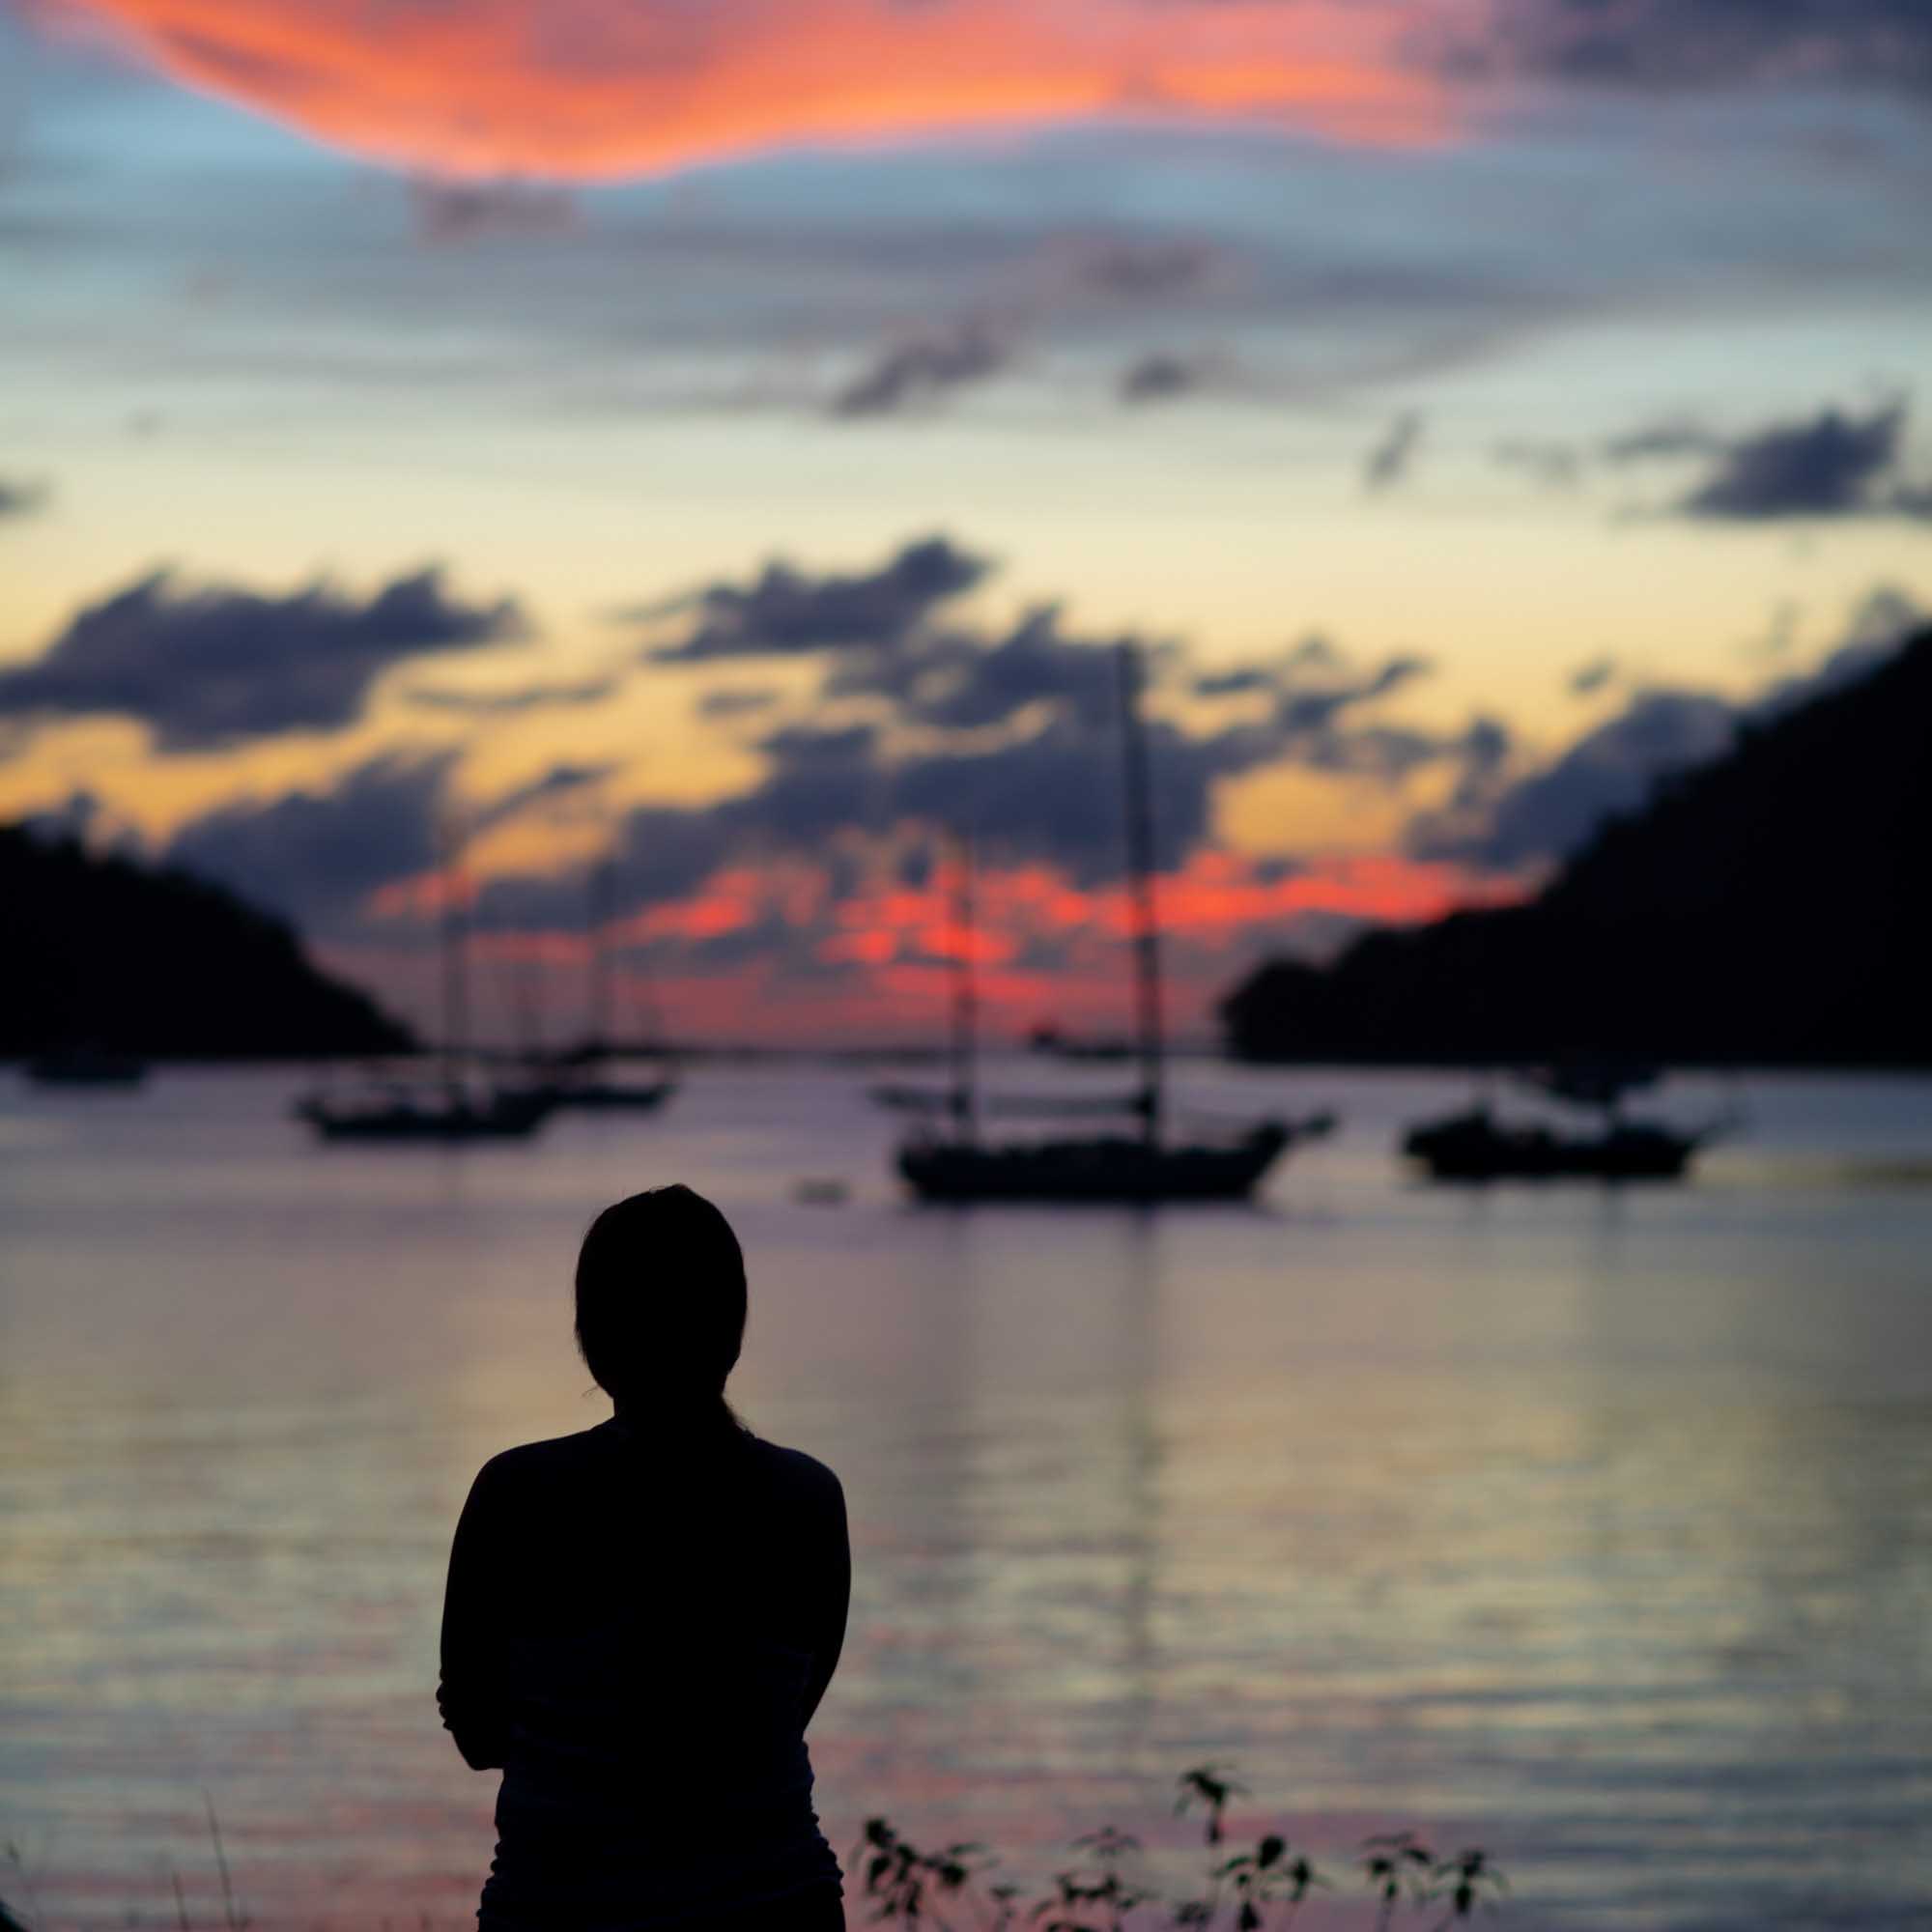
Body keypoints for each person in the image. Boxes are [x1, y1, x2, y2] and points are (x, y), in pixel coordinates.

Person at [439, 1186, 850, 1930]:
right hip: (774, 1904)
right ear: (732, 1329)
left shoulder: (516, 1493)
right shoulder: (807, 1499)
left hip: (560, 1908)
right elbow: (786, 1712)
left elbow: (476, 1733)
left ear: (590, 1334)